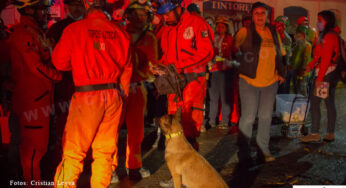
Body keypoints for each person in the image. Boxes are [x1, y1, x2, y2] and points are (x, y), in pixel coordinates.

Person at [52, 0, 132, 187]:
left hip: (86, 96)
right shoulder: (120, 32)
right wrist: (122, 102)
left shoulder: (74, 29)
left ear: (87, 5)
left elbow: (59, 63)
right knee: (104, 153)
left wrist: (81, 64)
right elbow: (126, 71)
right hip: (113, 96)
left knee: (73, 152)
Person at [8, 0, 62, 184]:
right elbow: (36, 66)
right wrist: (58, 74)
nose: (46, 13)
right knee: (33, 149)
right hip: (32, 100)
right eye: (42, 9)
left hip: (41, 98)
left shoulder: (36, 32)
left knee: (39, 147)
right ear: (29, 9)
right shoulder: (23, 33)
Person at [154, 0, 214, 151]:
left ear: (178, 8)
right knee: (173, 120)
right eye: (163, 15)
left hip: (192, 80)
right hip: (173, 82)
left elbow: (207, 52)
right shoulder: (168, 29)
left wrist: (178, 66)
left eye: (167, 14)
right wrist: (159, 66)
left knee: (189, 122)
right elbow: (166, 56)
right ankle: (177, 159)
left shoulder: (196, 22)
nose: (165, 18)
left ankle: (191, 157)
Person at [110, 0, 157, 183]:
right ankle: (110, 167)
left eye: (143, 14)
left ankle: (134, 166)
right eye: (135, 14)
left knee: (136, 131)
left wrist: (135, 72)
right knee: (112, 129)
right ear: (127, 15)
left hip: (137, 89)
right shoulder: (118, 33)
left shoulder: (150, 37)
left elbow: (151, 64)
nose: (139, 18)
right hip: (118, 88)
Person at [235, 2, 286, 165]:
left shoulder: (272, 31)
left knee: (265, 117)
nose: (259, 16)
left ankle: (263, 149)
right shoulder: (245, 31)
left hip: (270, 81)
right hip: (249, 80)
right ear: (252, 15)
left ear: (266, 15)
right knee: (248, 118)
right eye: (256, 13)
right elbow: (233, 50)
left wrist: (281, 72)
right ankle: (244, 152)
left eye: (262, 13)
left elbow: (280, 52)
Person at [300, 10, 340, 143]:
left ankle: (316, 133)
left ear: (327, 21)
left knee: (315, 102)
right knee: (328, 103)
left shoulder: (328, 37)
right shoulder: (328, 35)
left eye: (320, 20)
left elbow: (326, 59)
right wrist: (310, 66)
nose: (317, 23)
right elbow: (319, 57)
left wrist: (319, 79)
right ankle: (329, 133)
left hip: (326, 74)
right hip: (330, 74)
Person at [208, 16, 236, 129]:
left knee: (225, 98)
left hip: (226, 71)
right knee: (213, 97)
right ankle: (211, 120)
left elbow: (235, 53)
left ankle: (225, 121)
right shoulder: (211, 38)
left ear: (226, 28)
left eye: (222, 27)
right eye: (218, 26)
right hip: (213, 70)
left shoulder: (230, 39)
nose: (220, 28)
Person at [290, 25, 312, 95]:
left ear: (304, 35)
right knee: (296, 91)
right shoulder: (296, 44)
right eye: (297, 34)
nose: (297, 35)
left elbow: (305, 59)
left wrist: (301, 75)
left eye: (299, 34)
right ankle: (297, 105)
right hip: (296, 71)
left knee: (302, 92)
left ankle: (303, 105)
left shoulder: (306, 45)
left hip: (303, 73)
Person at [275, 16, 292, 94]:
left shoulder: (286, 38)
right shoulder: (273, 35)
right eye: (277, 23)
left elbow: (286, 56)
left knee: (282, 92)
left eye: (281, 24)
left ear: (285, 26)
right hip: (273, 69)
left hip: (282, 70)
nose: (278, 26)